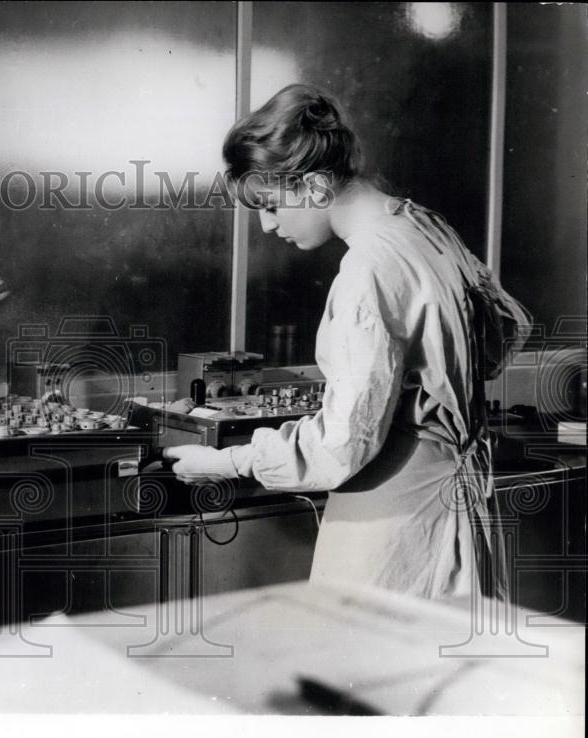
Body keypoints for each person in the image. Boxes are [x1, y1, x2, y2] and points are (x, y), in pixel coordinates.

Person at [164, 84, 531, 601]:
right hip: (455, 495)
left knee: (370, 645)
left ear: (315, 186)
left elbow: (342, 447)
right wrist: (430, 393)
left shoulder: (368, 269)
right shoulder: (422, 225)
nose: (267, 225)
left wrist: (228, 462)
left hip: (394, 520)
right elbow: (509, 328)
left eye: (270, 205)